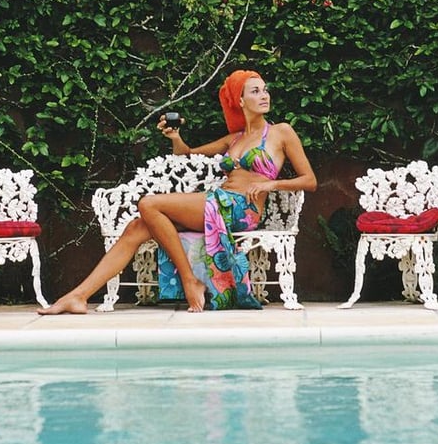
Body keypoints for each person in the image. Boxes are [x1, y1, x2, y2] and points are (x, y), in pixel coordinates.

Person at [38, 69, 317, 314]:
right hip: (218, 202)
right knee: (137, 227)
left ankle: (188, 280)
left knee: (149, 204)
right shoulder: (236, 139)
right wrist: (175, 138)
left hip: (241, 210)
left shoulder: (281, 132)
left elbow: (309, 180)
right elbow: (188, 154)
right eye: (255, 91)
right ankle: (78, 296)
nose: (264, 95)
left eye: (265, 90)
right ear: (241, 101)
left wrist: (272, 184)